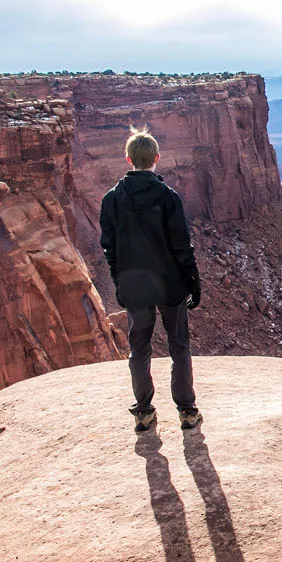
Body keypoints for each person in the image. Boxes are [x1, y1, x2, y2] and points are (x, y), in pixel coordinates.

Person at [99, 127, 203, 433]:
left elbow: (109, 246)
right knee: (179, 347)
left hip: (135, 285)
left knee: (139, 348)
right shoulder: (169, 197)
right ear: (156, 158)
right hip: (170, 282)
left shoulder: (112, 199)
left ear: (128, 158)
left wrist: (119, 280)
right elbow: (182, 245)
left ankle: (143, 412)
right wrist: (193, 281)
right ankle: (187, 411)